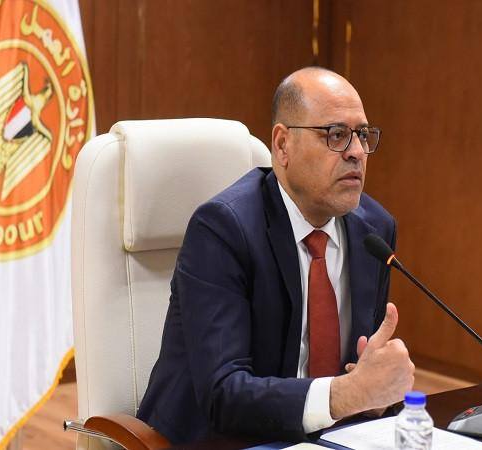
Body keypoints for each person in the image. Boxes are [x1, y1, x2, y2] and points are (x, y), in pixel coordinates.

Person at [137, 67, 415, 444]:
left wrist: (379, 391)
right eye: (336, 135)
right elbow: (224, 395)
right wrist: (344, 395)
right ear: (283, 145)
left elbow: (359, 376)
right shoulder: (222, 230)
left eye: (363, 135)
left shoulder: (374, 229)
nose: (356, 153)